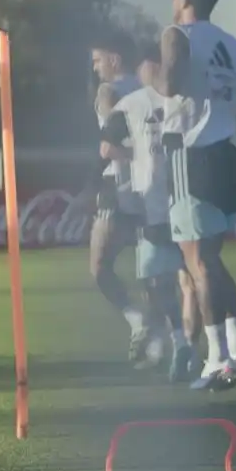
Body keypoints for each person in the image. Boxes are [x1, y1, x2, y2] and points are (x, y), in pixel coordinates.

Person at [156, 0, 236, 390]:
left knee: (197, 263)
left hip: (191, 158)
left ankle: (216, 359)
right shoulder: (232, 44)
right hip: (226, 158)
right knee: (212, 261)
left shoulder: (176, 34)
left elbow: (168, 84)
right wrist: (220, 100)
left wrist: (150, 75)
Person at [98, 43, 192, 382]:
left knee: (159, 280)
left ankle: (183, 345)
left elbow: (107, 147)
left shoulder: (134, 103)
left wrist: (134, 155)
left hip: (156, 205)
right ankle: (197, 347)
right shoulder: (185, 98)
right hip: (183, 201)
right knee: (192, 277)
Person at [87, 32, 150, 363]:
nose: (95, 68)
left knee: (100, 267)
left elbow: (109, 145)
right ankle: (168, 339)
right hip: (153, 187)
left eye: (98, 60)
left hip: (118, 187)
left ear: (114, 59)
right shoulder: (149, 89)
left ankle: (139, 323)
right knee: (154, 269)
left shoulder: (108, 92)